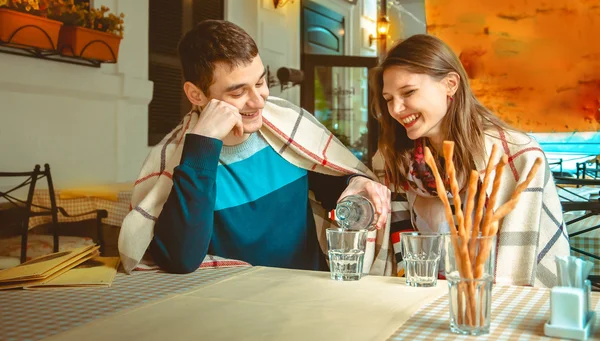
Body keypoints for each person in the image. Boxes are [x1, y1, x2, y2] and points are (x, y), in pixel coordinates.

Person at [118, 20, 393, 275]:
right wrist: (202, 146)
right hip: (231, 307)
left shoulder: (287, 130)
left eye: (260, 82)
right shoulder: (183, 160)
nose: (259, 101)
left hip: (310, 295)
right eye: (238, 92)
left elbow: (334, 187)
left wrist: (355, 182)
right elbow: (181, 259)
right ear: (196, 95)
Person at [370, 34, 569, 287]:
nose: (397, 109)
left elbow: (527, 260)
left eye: (408, 92)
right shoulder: (392, 160)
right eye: (389, 99)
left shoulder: (514, 157)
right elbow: (394, 249)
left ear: (450, 84)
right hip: (416, 296)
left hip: (486, 303)